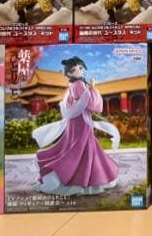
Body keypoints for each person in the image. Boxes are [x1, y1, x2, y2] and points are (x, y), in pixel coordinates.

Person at [32, 56, 120, 195]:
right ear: (68, 73)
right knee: (81, 149)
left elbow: (79, 103)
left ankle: (82, 178)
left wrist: (89, 89)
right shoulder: (79, 84)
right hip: (81, 122)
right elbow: (92, 105)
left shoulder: (72, 85)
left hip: (75, 121)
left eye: (80, 68)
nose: (79, 71)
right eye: (75, 69)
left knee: (78, 147)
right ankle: (81, 179)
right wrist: (93, 88)